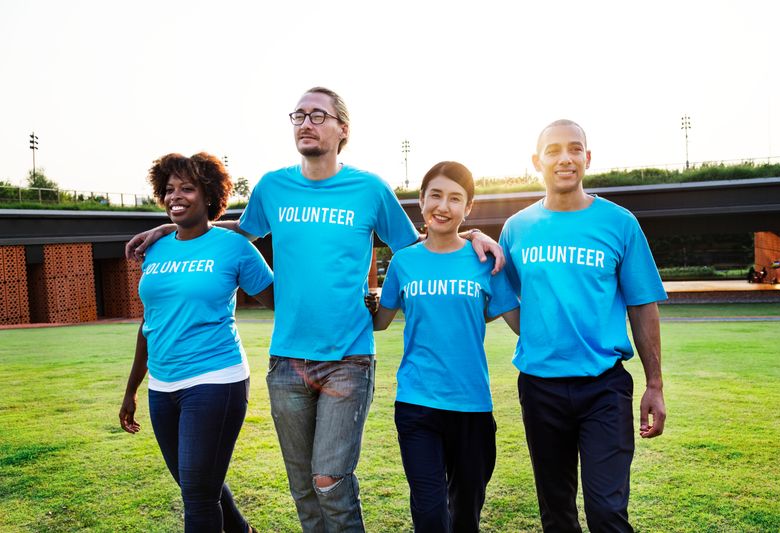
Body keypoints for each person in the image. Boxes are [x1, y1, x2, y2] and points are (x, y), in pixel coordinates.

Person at [125, 87, 505, 532]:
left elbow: (421, 247)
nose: (306, 122)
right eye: (299, 115)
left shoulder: (370, 189)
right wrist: (165, 230)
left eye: (319, 115)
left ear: (343, 129)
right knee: (303, 486)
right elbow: (231, 232)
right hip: (286, 361)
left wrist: (473, 235)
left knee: (330, 480)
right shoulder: (272, 187)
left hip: (347, 359)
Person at [499, 120, 667, 532]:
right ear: (537, 162)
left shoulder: (620, 223)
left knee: (607, 511)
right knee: (557, 513)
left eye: (574, 149)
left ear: (587, 158)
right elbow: (504, 294)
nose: (565, 158)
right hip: (540, 387)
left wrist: (655, 385)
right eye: (553, 150)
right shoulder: (516, 228)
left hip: (603, 388)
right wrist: (540, 332)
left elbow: (642, 305)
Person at [119, 152, 274, 533]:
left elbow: (280, 303)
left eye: (187, 188)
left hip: (216, 380)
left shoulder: (234, 248)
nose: (176, 196)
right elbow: (149, 322)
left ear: (209, 195)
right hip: (162, 385)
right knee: (199, 485)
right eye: (169, 189)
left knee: (198, 497)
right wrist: (132, 389)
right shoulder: (154, 248)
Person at [369, 161, 519, 532]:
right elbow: (380, 322)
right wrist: (360, 299)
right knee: (430, 511)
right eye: (435, 195)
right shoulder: (404, 262)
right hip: (417, 404)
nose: (443, 206)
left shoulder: (486, 261)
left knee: (466, 512)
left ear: (468, 208)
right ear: (421, 201)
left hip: (472, 405)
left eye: (455, 199)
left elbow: (522, 325)